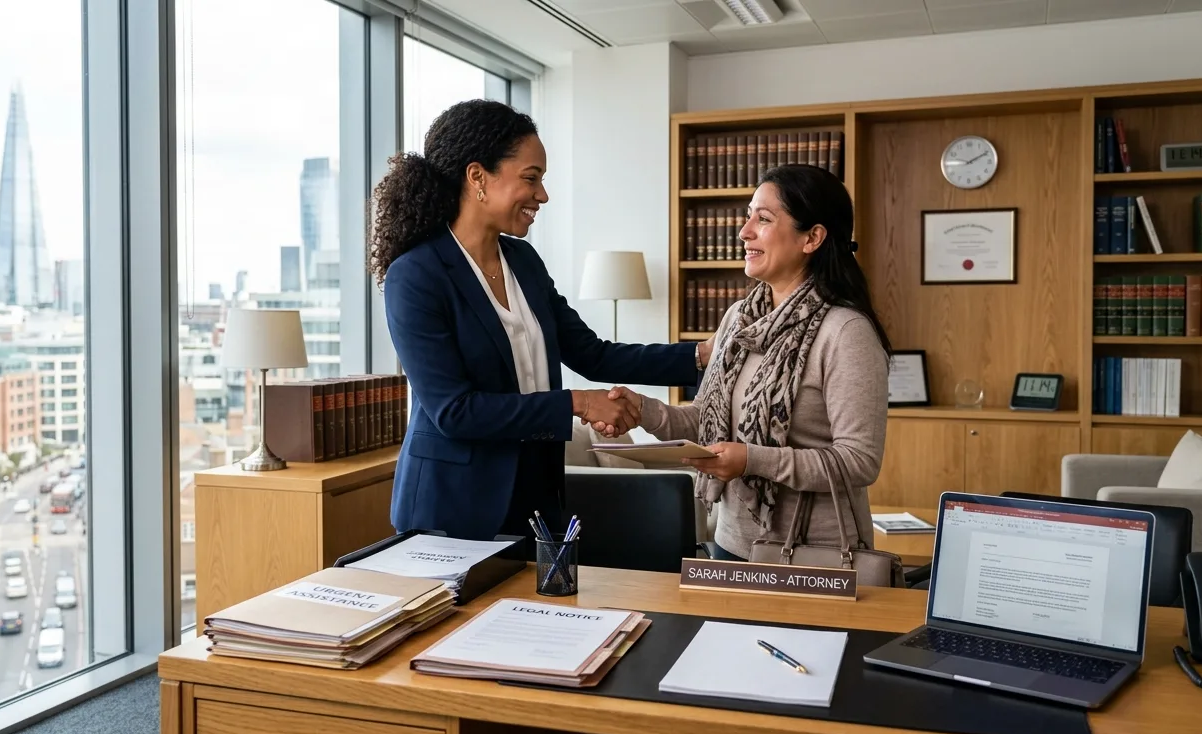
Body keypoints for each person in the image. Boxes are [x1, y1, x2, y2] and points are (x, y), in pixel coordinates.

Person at [373, 99, 711, 542]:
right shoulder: (416, 275)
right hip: (452, 507)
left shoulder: (523, 261)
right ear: (477, 177)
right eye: (531, 178)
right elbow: (454, 411)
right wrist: (578, 403)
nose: (543, 195)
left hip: (536, 496)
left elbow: (591, 354)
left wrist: (701, 356)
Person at [607, 164, 891, 561]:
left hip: (814, 556)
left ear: (812, 237)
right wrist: (643, 411)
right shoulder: (739, 318)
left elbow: (858, 462)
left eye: (764, 219)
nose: (744, 231)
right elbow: (707, 420)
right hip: (732, 543)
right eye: (748, 216)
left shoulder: (846, 332)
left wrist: (752, 460)